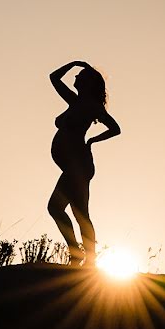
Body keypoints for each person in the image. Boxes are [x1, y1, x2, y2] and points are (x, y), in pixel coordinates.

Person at [47, 60, 121, 265]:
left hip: (78, 165)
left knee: (61, 209)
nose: (75, 77)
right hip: (73, 166)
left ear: (88, 83)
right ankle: (83, 257)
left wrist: (92, 140)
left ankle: (82, 257)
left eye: (80, 75)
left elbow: (115, 128)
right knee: (77, 213)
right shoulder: (75, 102)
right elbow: (53, 77)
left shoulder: (91, 106)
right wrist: (75, 63)